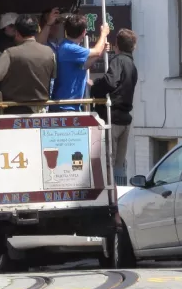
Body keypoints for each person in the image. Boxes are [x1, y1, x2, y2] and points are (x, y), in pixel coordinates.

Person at [90, 29, 138, 185]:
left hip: (113, 116)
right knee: (119, 163)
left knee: (109, 159)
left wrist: (95, 86)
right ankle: (119, 195)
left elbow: (110, 82)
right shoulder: (132, 65)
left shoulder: (119, 61)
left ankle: (111, 193)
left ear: (117, 45)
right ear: (134, 46)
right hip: (125, 119)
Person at [0, 13, 56, 113]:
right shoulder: (50, 52)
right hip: (41, 112)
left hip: (14, 111)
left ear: (17, 33)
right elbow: (53, 76)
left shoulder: (10, 53)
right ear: (36, 30)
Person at [50, 14, 109, 112]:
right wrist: (103, 34)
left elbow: (85, 65)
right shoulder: (69, 48)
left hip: (70, 105)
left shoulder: (68, 47)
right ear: (84, 32)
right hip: (65, 106)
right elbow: (96, 51)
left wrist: (101, 53)